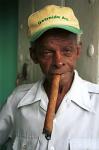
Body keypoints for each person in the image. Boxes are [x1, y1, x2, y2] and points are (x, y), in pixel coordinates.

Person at [0, 4, 99, 150]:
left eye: (67, 50)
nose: (58, 62)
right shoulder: (16, 101)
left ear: (77, 52)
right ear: (34, 55)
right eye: (47, 52)